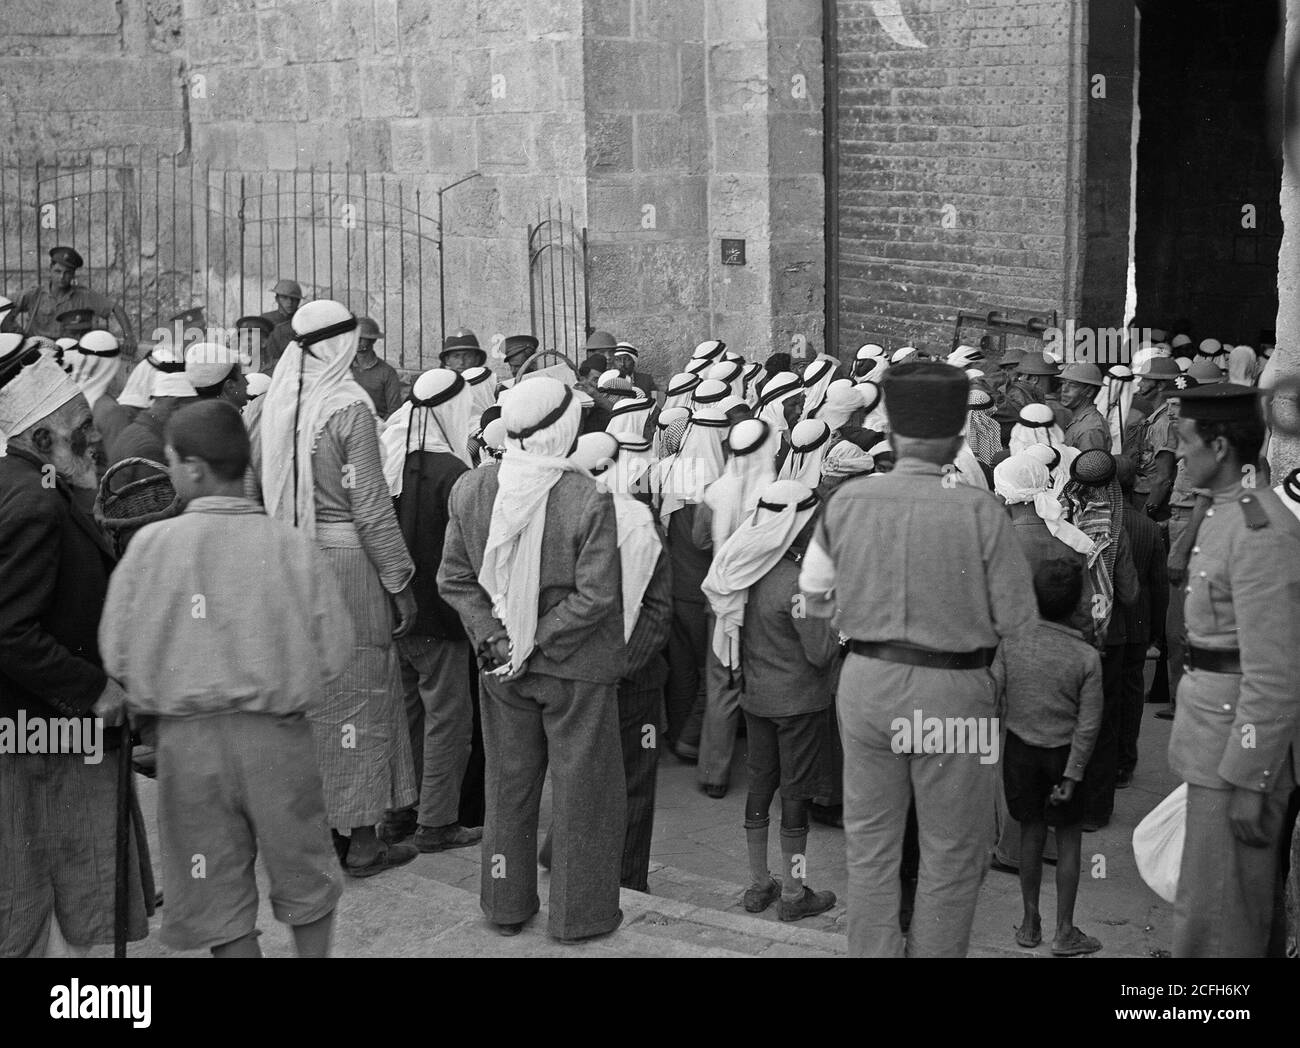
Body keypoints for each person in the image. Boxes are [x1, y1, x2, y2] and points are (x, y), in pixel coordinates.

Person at [799, 360, 1037, 957]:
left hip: (867, 684)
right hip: (955, 694)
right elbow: (1020, 624)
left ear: (893, 435)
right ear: (958, 441)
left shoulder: (847, 500)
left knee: (871, 846)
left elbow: (814, 598)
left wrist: (868, 617)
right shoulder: (981, 510)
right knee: (954, 853)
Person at [99, 400, 348, 957]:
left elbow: (117, 652)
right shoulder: (290, 545)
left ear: (192, 469)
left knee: (214, 890)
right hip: (278, 739)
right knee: (304, 870)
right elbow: (334, 649)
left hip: (188, 749)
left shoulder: (150, 547)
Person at [438, 377, 627, 942]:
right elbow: (596, 596)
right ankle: (579, 916)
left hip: (500, 666)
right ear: (566, 428)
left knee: (509, 786)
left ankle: (505, 903)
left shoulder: (471, 488)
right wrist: (534, 638)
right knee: (584, 792)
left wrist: (497, 637)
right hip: (574, 666)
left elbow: (454, 577)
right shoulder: (588, 498)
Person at [252, 300, 420, 878]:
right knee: (365, 692)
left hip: (291, 563)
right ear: (342, 344)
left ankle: (323, 833)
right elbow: (372, 512)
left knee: (313, 698)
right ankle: (368, 843)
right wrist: (400, 582)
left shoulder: (274, 406)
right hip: (347, 565)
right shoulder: (349, 408)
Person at [0, 336, 154, 956]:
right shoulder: (33, 504)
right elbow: (9, 630)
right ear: (40, 442)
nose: (95, 442)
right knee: (73, 891)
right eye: (81, 431)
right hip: (51, 736)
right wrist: (93, 689)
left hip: (42, 730)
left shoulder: (32, 484)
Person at [1166, 382, 1300, 957]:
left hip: (1235, 754)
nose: (1180, 453)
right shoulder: (1227, 513)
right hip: (1213, 740)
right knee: (1216, 908)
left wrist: (1250, 776)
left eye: (1186, 441)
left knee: (1218, 925)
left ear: (1219, 447)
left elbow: (1275, 672)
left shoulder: (1259, 531)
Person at [704, 479, 839, 921]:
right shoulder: (799, 584)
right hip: (799, 703)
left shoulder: (744, 569)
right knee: (795, 797)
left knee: (760, 788)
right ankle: (795, 894)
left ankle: (760, 883)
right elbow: (820, 654)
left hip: (757, 699)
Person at [375, 369, 483, 853]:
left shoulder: (390, 457)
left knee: (405, 716)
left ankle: (399, 813)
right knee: (448, 720)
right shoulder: (454, 474)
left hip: (395, 611)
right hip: (440, 616)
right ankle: (437, 822)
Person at [566, 433, 672, 891]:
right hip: (630, 675)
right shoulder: (639, 521)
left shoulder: (563, 513)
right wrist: (625, 665)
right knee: (632, 781)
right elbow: (658, 610)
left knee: (582, 772)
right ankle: (627, 881)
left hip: (585, 671)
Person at [994, 558, 1103, 956]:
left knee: (1030, 833)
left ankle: (1028, 922)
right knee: (1069, 841)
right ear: (1076, 605)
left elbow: (994, 694)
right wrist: (1073, 776)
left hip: (1021, 753)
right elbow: (1088, 725)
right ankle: (1065, 931)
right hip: (1063, 758)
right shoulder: (1085, 657)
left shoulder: (1012, 641)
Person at [1113, 455, 1168, 787]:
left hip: (1106, 623)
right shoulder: (1148, 528)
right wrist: (1156, 632)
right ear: (1135, 486)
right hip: (1137, 624)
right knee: (1131, 692)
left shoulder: (1099, 522)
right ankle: (1124, 763)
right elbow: (1160, 586)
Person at [2, 246, 136, 351]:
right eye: (58, 271)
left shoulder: (84, 296)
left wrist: (128, 337)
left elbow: (115, 308)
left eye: (67, 273)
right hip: (37, 351)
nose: (62, 277)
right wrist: (18, 335)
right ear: (50, 270)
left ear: (73, 275)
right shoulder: (34, 294)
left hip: (69, 353)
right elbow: (4, 309)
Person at [108, 341, 197, 485]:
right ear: (176, 406)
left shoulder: (139, 429)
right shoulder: (151, 446)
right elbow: (155, 504)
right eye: (188, 410)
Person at [1131, 355, 1181, 515]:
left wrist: (1145, 515)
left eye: (1145, 380)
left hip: (1154, 500)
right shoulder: (1158, 418)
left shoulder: (1163, 423)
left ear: (1160, 385)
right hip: (1145, 492)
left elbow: (1164, 478)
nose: (1140, 384)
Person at [350, 317, 403, 420]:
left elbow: (394, 410)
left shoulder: (387, 372)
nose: (357, 341)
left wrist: (381, 427)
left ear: (372, 340)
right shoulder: (345, 368)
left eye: (362, 338)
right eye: (355, 337)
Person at [258, 279, 303, 375]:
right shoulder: (264, 319)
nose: (289, 302)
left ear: (299, 301)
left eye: (294, 299)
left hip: (294, 371)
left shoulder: (303, 321)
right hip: (268, 370)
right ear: (277, 299)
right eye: (284, 298)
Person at [1059, 362, 1108, 451]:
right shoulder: (1079, 419)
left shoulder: (1091, 429)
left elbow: (1090, 464)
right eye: (1063, 383)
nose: (1064, 389)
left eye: (1072, 385)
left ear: (1089, 392)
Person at [612, 341, 662, 406]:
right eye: (618, 359)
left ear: (634, 362)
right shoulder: (608, 381)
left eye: (627, 359)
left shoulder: (646, 379)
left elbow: (656, 403)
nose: (622, 364)